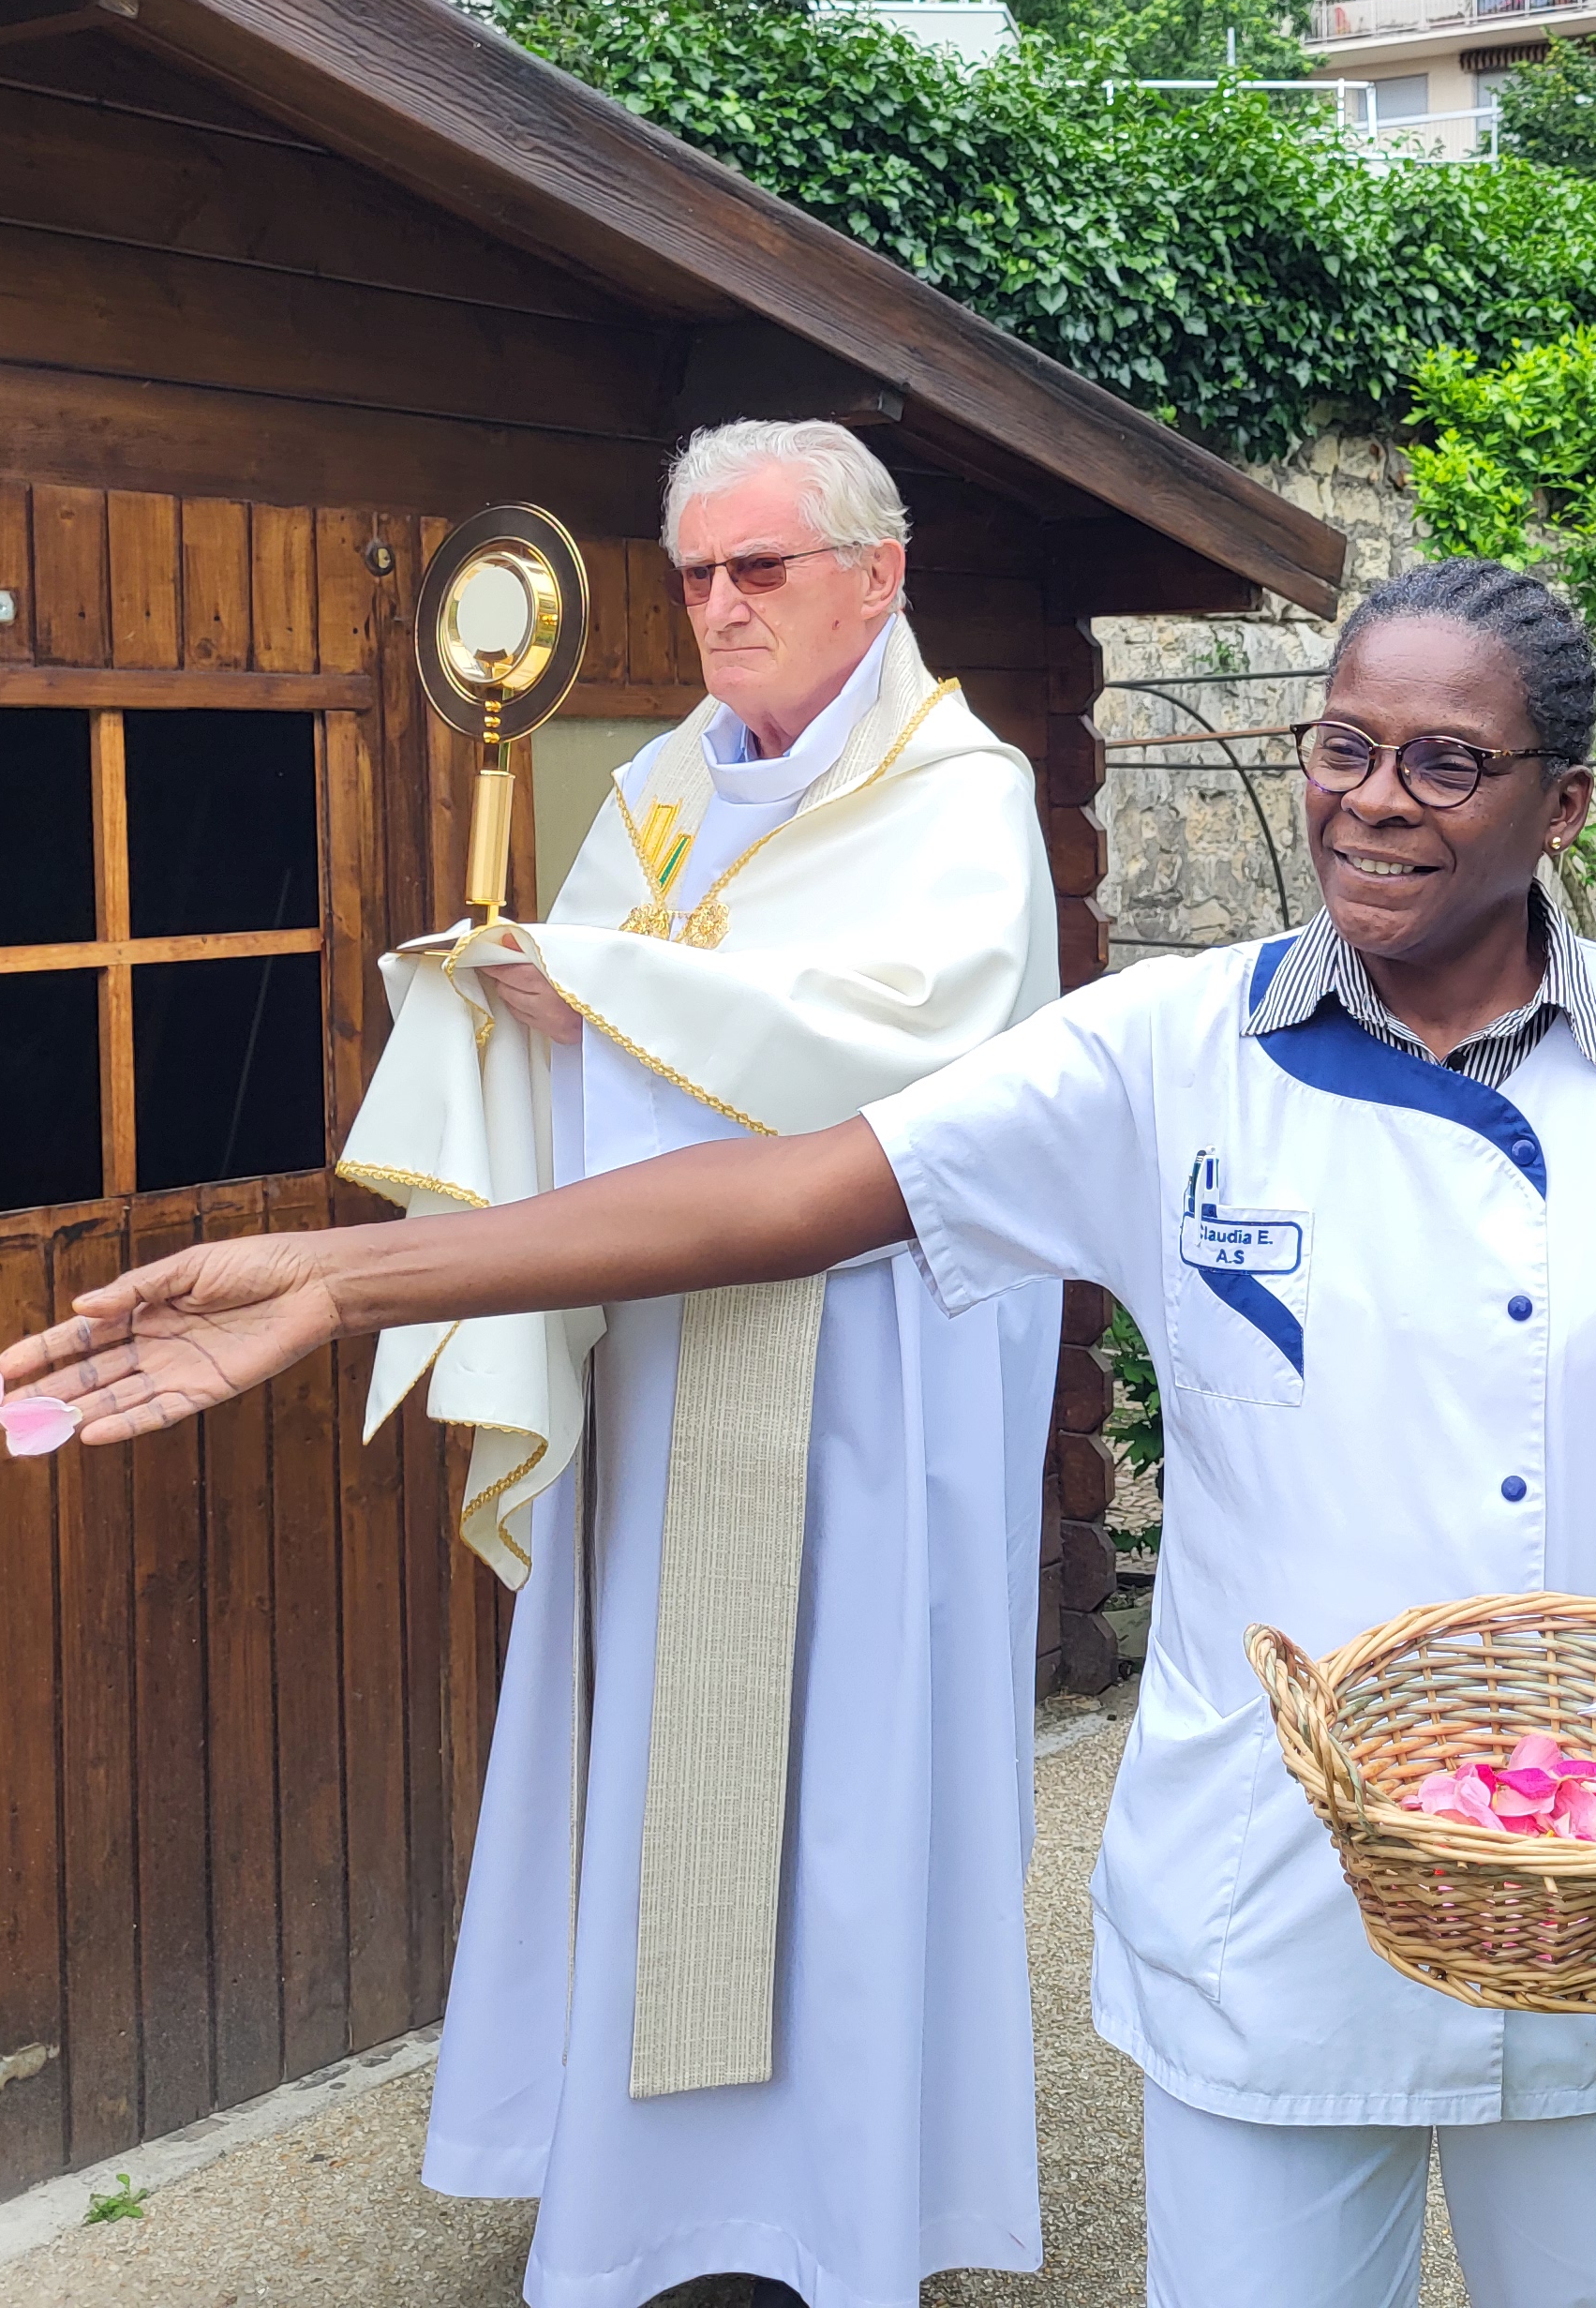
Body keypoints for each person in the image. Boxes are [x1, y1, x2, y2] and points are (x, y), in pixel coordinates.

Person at [0, 557, 1596, 2308]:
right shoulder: (1163, 1057)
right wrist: (348, 1279)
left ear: (1563, 804)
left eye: (1446, 763)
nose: (1374, 799)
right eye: (1344, 748)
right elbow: (788, 1192)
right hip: (1276, 1894)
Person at [317, 419, 1061, 2306]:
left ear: (873, 579)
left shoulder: (961, 798)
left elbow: (925, 1052)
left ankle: (832, 2207)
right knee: (663, 1755)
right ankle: (658, 2205)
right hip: (669, 1366)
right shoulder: (651, 788)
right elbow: (600, 1019)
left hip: (862, 1383)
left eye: (760, 572)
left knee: (841, 1777)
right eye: (697, 577)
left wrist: (606, 996)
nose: (718, 610)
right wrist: (514, 1001)